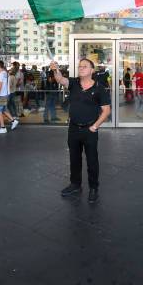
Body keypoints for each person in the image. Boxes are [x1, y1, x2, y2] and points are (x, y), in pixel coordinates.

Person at [52, 58, 111, 204]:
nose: (81, 68)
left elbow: (106, 111)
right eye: (79, 66)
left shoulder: (99, 88)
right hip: (73, 128)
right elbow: (60, 79)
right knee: (74, 159)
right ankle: (75, 184)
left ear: (92, 70)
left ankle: (93, 188)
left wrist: (95, 126)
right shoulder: (74, 83)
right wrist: (55, 69)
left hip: (90, 130)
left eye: (85, 66)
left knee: (92, 160)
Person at [0, 60, 19, 134]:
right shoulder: (6, 73)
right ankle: (14, 121)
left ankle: (3, 128)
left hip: (1, 95)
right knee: (4, 109)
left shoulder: (0, 74)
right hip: (6, 94)